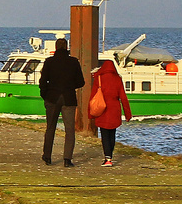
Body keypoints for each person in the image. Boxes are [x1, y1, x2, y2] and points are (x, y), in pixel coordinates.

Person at [38, 38, 86, 166]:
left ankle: (47, 156)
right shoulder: (74, 62)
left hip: (52, 97)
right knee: (70, 130)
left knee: (50, 128)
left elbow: (43, 81)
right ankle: (67, 159)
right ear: (67, 47)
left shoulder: (49, 62)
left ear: (56, 47)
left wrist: (45, 95)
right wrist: (70, 86)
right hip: (69, 98)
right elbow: (81, 82)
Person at [91, 58, 131, 166]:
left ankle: (107, 158)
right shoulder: (117, 79)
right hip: (114, 109)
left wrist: (90, 113)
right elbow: (123, 97)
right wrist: (128, 114)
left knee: (104, 134)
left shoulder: (99, 78)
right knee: (112, 133)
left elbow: (93, 96)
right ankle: (110, 157)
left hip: (102, 109)